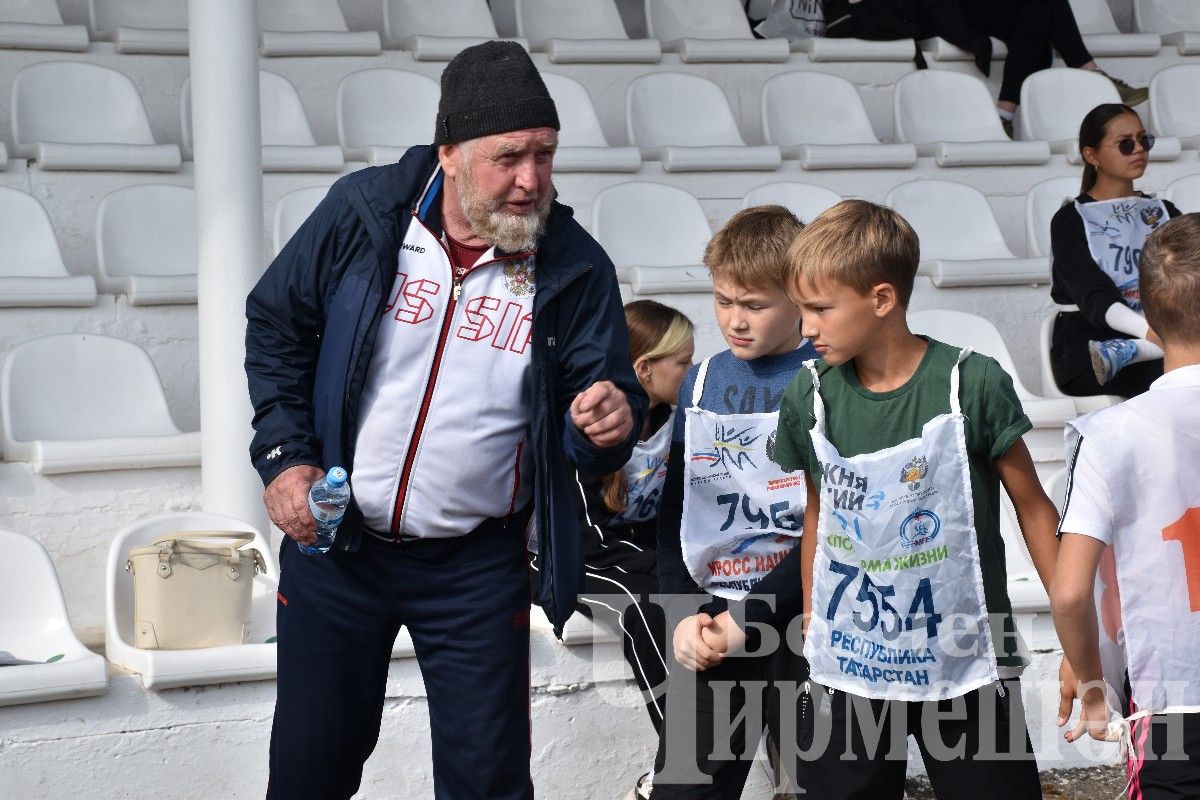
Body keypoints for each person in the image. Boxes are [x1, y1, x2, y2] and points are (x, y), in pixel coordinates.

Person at [245, 41, 646, 800]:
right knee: (309, 771)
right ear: (451, 151)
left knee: (487, 782)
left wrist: (608, 424)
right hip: (337, 548)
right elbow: (274, 325)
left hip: (476, 565)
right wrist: (284, 454)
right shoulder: (364, 213)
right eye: (509, 157)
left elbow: (604, 412)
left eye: (545, 155)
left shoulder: (577, 263)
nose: (532, 181)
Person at [774, 199, 1065, 800]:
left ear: (882, 299)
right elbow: (817, 515)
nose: (806, 328)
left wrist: (1078, 634)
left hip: (966, 656)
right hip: (850, 657)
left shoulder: (971, 382)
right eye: (802, 310)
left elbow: (1033, 507)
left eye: (821, 309)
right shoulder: (810, 395)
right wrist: (814, 630)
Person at [651, 205, 819, 799]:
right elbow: (678, 512)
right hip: (715, 620)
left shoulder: (831, 378)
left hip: (807, 620)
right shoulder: (697, 382)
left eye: (754, 305)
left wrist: (751, 619)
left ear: (799, 295)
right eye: (724, 301)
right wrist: (685, 617)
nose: (734, 320)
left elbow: (833, 523)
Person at [1052, 212, 1200, 800]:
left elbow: (1068, 592)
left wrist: (1091, 684)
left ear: (1152, 326)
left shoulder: (1108, 433)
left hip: (1169, 703)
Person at [529, 299, 694, 800]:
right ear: (644, 369)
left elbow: (677, 509)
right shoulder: (591, 422)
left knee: (695, 599)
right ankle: (682, 765)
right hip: (568, 554)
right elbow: (581, 532)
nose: (692, 372)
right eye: (682, 363)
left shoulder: (676, 420)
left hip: (632, 550)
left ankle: (679, 767)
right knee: (643, 609)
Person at [1049, 103, 1182, 399]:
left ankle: (1141, 350)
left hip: (1166, 335)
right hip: (1090, 344)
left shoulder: (1165, 212)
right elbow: (1093, 296)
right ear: (1091, 155)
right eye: (1125, 143)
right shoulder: (1070, 220)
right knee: (1169, 376)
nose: (1138, 149)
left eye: (1143, 140)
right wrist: (1152, 332)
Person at [958, 0, 1147, 136]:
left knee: (1038, 11)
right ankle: (1095, 76)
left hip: (1008, 9)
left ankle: (1004, 116)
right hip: (962, 10)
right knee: (1040, 10)